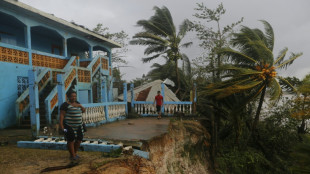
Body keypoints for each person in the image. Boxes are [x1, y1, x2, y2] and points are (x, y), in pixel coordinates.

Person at [59, 91, 86, 161]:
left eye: (75, 96)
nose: (73, 97)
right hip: (69, 126)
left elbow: (83, 111)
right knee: (70, 140)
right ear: (68, 97)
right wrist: (62, 126)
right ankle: (72, 155)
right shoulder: (65, 105)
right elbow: (62, 116)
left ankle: (74, 153)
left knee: (79, 140)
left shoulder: (78, 103)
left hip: (79, 125)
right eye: (72, 96)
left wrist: (80, 106)